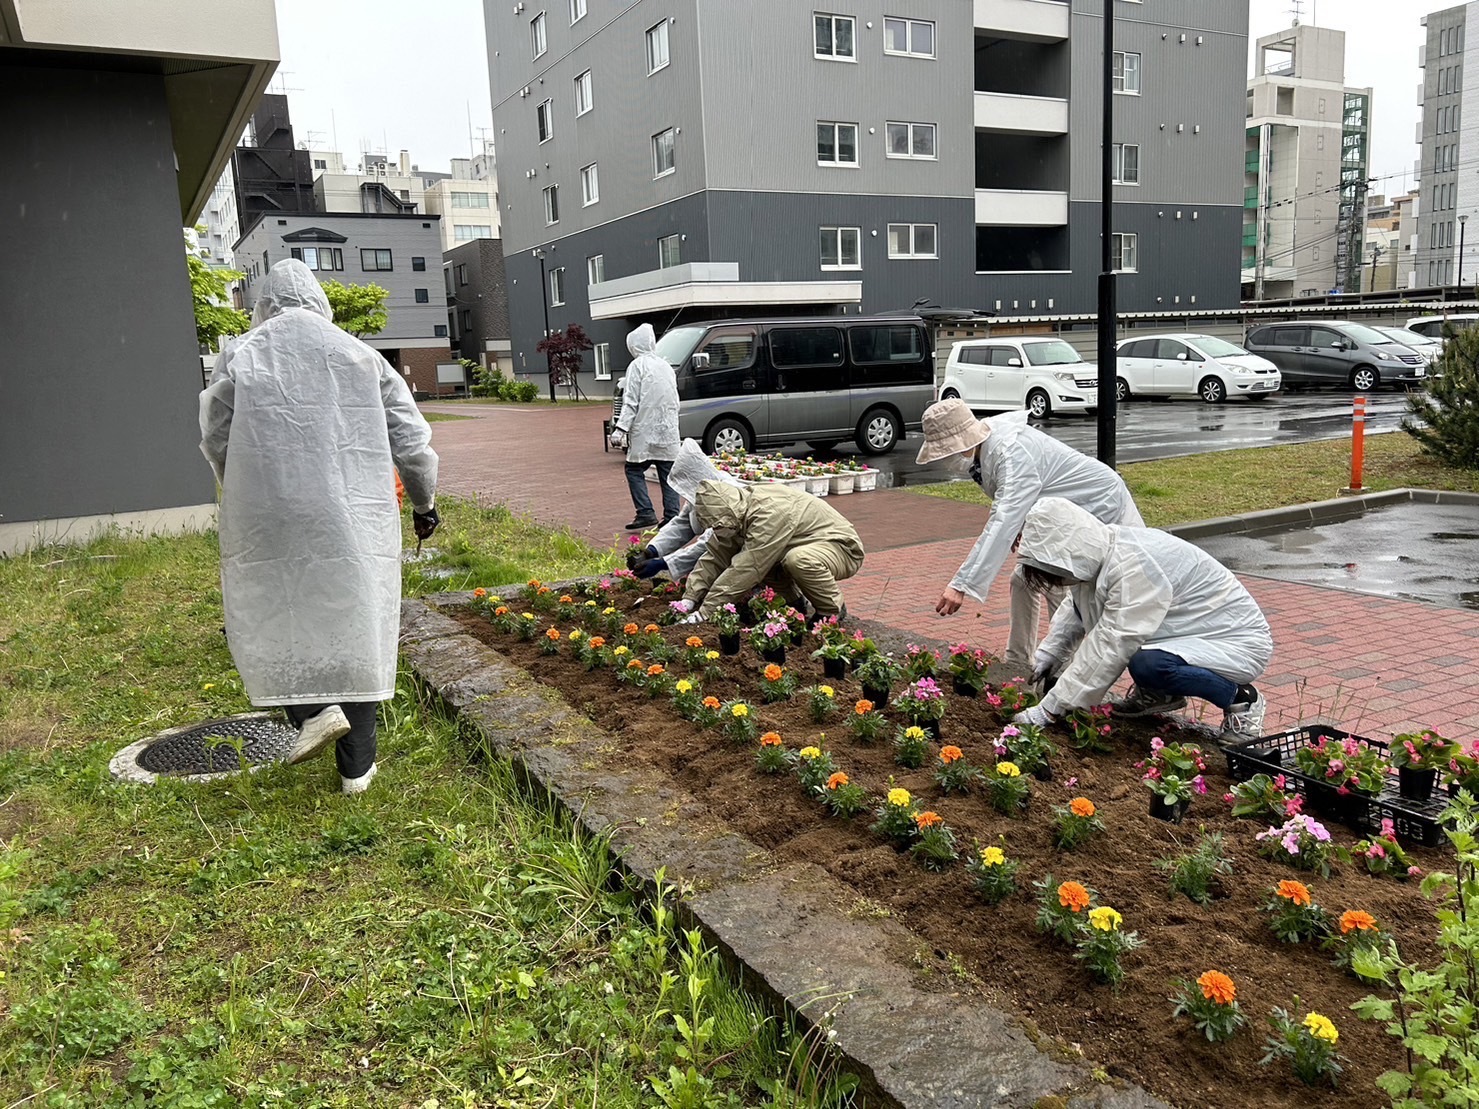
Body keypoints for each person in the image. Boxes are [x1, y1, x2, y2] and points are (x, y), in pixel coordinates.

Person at [199, 259, 440, 795]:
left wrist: (238, 484)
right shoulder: (362, 356)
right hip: (352, 514)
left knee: (274, 607)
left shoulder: (242, 354)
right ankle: (357, 770)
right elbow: (413, 444)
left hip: (267, 512)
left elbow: (216, 434)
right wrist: (424, 503)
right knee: (357, 627)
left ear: (264, 305)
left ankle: (310, 708)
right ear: (320, 301)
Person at [1008, 498, 1272, 742]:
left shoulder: (1132, 567)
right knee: (1146, 660)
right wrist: (1049, 654)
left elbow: (1109, 646)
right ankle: (1161, 694)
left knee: (1149, 665)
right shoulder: (1097, 550)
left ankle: (1241, 700)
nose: (1058, 581)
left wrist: (1050, 710)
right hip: (1188, 631)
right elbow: (1076, 606)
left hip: (1234, 639)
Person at [915, 399, 1143, 669]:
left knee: (1065, 586)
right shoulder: (988, 447)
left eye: (945, 451)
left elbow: (1002, 519)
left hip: (1099, 510)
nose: (944, 459)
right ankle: (1020, 662)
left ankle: (1063, 667)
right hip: (1067, 515)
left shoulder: (1011, 453)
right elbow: (1021, 501)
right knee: (1025, 580)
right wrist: (1019, 525)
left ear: (962, 440)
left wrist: (961, 585)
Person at [678, 480, 864, 622]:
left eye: (717, 526)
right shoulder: (736, 512)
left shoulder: (768, 514)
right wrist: (690, 598)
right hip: (807, 544)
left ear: (728, 515)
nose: (716, 531)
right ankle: (794, 602)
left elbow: (748, 567)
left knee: (796, 560)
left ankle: (830, 610)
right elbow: (715, 556)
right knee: (772, 562)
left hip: (841, 547)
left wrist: (705, 612)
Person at [627, 439, 743, 581]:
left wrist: (664, 563)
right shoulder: (699, 492)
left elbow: (711, 543)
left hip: (741, 553)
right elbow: (683, 524)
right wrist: (652, 550)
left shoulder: (725, 495)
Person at [609, 323, 680, 531]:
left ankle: (645, 512)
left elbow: (631, 401)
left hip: (645, 430)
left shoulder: (637, 366)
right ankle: (672, 516)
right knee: (667, 473)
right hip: (668, 430)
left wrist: (621, 428)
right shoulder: (666, 366)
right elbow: (674, 400)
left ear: (633, 345)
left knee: (633, 469)